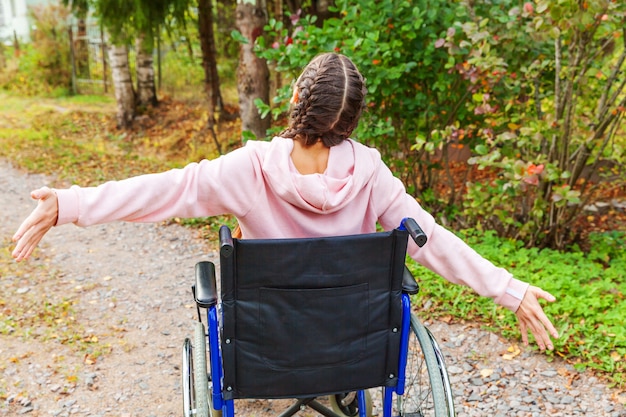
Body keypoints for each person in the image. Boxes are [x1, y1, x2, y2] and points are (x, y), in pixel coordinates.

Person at [11, 52, 558, 351]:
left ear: (296, 98)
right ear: (351, 121)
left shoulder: (249, 169)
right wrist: (505, 288)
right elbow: (430, 239)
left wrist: (71, 203)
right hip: (352, 335)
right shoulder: (371, 173)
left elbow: (166, 189)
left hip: (267, 334)